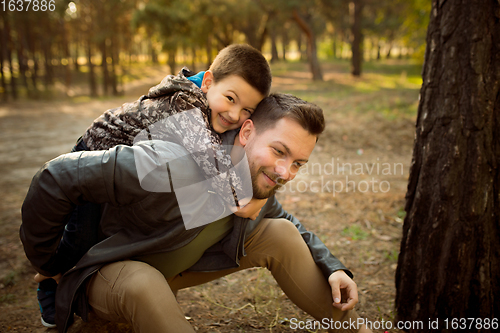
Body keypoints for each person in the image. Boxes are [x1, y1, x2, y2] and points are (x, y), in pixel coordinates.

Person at [20, 93, 371, 333]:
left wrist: (333, 267)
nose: (284, 172)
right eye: (279, 151)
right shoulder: (174, 162)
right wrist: (48, 264)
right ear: (247, 132)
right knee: (144, 284)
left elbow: (286, 219)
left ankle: (357, 329)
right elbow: (56, 176)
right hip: (110, 276)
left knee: (281, 232)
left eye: (298, 163)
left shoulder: (253, 179)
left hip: (170, 270)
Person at [33, 43, 272, 327]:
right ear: (207, 82)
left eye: (247, 109)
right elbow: (217, 173)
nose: (234, 115)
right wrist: (256, 198)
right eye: (230, 99)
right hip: (93, 161)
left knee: (103, 236)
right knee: (77, 243)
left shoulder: (206, 104)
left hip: (123, 175)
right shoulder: (184, 107)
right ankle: (48, 280)